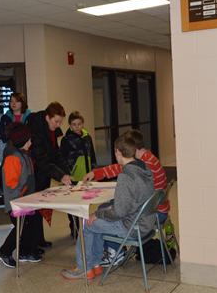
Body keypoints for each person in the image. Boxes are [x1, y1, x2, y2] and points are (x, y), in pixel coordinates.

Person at [61, 134, 154, 280]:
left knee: (87, 223)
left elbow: (119, 212)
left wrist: (99, 215)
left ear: (118, 152)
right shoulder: (144, 169)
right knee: (98, 216)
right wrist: (101, 212)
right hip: (146, 223)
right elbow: (130, 202)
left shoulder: (126, 176)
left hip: (132, 227)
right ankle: (95, 264)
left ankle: (84, 267)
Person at [83, 129, 167, 266]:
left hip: (151, 215)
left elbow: (121, 210)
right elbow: (119, 168)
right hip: (150, 211)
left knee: (107, 212)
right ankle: (113, 250)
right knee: (109, 208)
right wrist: (96, 173)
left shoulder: (145, 165)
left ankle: (114, 253)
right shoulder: (145, 160)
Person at [0, 123, 44, 267]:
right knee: (21, 227)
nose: (31, 142)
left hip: (26, 200)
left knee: (30, 224)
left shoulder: (25, 154)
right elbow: (11, 183)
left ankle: (25, 251)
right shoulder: (13, 158)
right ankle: (4, 251)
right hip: (16, 201)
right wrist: (23, 192)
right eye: (28, 140)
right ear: (21, 141)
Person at [26, 102, 72, 248]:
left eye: (60, 122)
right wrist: (61, 176)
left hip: (43, 173)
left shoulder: (51, 131)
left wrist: (66, 172)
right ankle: (32, 244)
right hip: (33, 174)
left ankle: (39, 240)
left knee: (40, 207)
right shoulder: (37, 132)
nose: (58, 125)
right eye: (56, 121)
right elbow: (42, 160)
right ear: (47, 118)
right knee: (33, 210)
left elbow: (56, 154)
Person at [60, 111, 97, 239]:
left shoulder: (87, 137)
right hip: (73, 175)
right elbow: (62, 158)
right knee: (73, 202)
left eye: (79, 124)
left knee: (84, 201)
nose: (77, 127)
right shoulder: (66, 140)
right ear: (70, 125)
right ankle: (74, 226)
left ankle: (83, 225)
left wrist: (93, 168)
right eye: (74, 124)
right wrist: (66, 173)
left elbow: (91, 154)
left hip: (86, 175)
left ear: (83, 124)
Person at [0, 93, 32, 164]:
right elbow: (2, 133)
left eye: (16, 101)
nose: (13, 103)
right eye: (11, 101)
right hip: (11, 148)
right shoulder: (5, 117)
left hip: (26, 148)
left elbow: (33, 132)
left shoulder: (30, 116)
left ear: (22, 103)